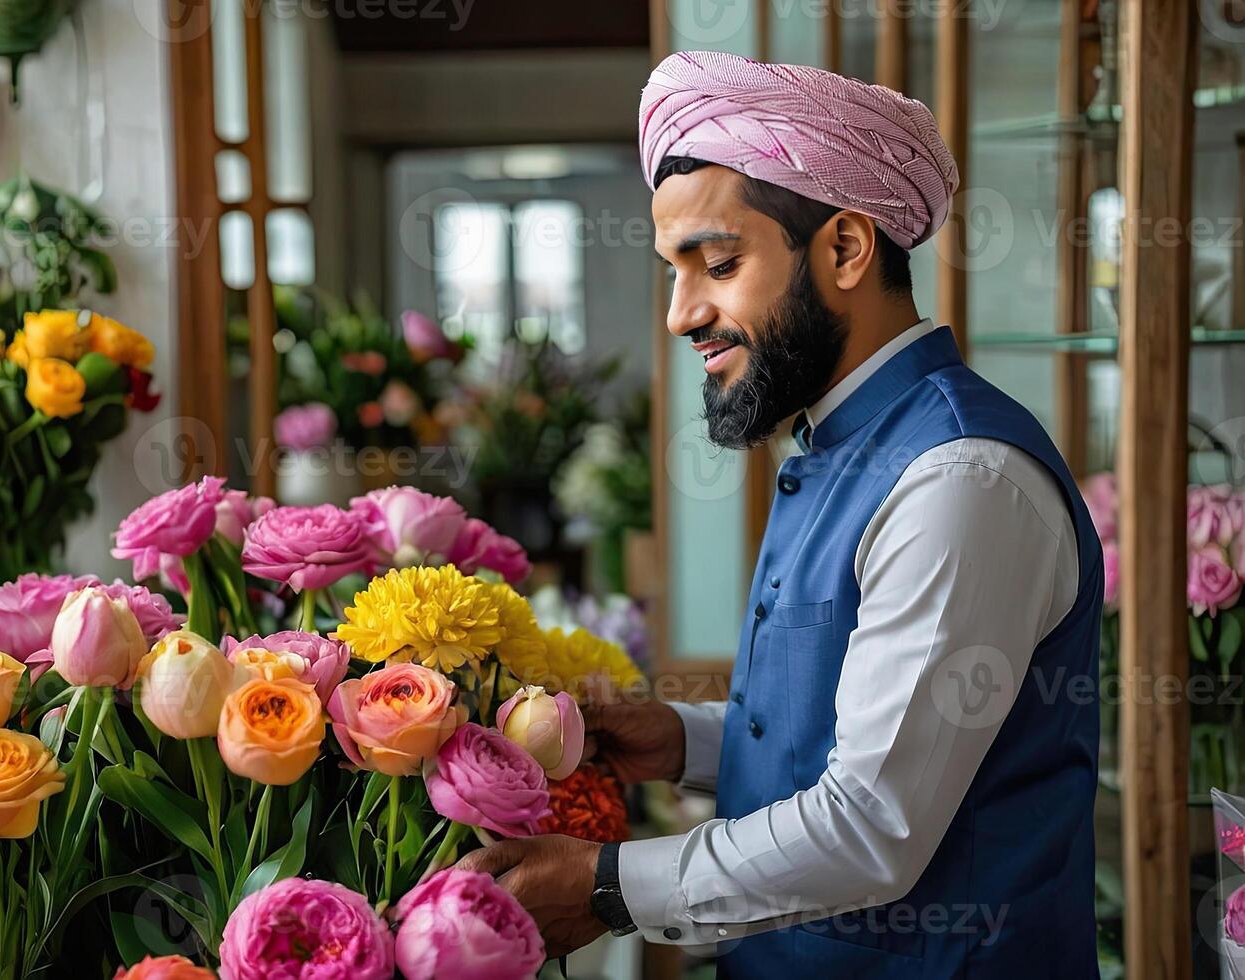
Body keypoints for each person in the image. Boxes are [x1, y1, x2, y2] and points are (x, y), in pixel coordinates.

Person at [456, 51, 1102, 979]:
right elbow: (848, 731)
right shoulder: (843, 443)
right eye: (676, 272)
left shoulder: (962, 479)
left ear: (844, 248)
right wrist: (680, 739)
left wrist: (604, 884)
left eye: (717, 263)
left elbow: (871, 825)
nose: (682, 314)